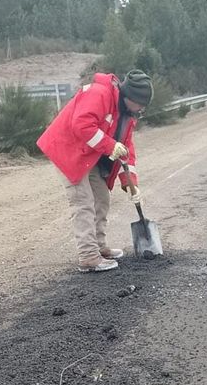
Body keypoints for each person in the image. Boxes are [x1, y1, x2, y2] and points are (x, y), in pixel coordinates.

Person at [37, 69, 153, 272]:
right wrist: (110, 146)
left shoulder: (127, 114)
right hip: (69, 151)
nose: (142, 109)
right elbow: (81, 125)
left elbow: (127, 150)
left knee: (101, 197)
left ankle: (99, 246)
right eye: (141, 104)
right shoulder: (99, 94)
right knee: (83, 201)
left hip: (88, 156)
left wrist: (130, 183)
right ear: (131, 97)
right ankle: (88, 256)